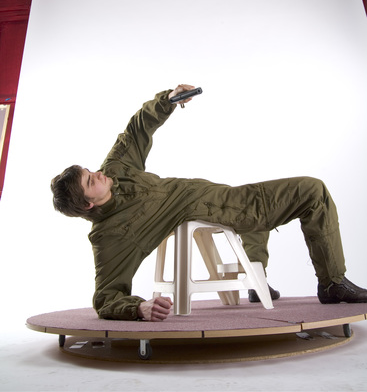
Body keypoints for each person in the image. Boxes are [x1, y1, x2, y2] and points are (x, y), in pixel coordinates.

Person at [51, 84, 367, 322]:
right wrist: (138, 308)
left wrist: (168, 100)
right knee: (312, 192)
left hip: (215, 196)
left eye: (90, 171)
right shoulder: (110, 236)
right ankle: (333, 283)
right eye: (90, 180)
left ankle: (256, 279)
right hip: (216, 207)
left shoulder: (115, 171)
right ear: (87, 205)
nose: (98, 174)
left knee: (254, 203)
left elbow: (136, 130)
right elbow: (106, 298)